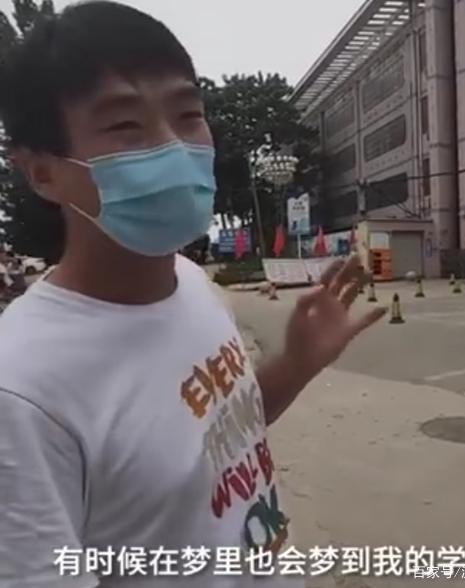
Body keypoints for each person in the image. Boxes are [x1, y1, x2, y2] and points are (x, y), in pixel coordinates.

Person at [0, 3, 386, 587]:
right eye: (125, 126)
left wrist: (297, 363)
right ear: (41, 172)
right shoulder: (23, 393)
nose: (175, 148)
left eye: (188, 115)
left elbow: (217, 439)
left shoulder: (191, 282)